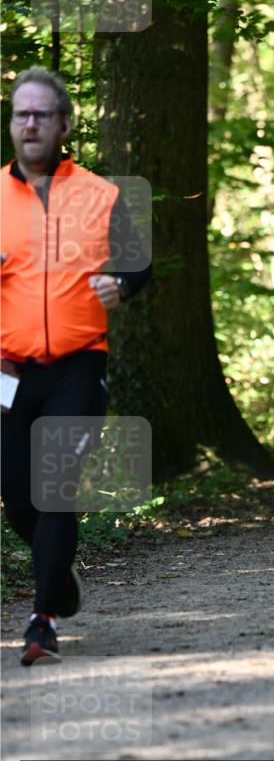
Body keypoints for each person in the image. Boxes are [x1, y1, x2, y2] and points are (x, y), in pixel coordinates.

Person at [1, 66, 151, 665]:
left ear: (64, 124)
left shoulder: (98, 194)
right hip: (10, 372)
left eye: (41, 114)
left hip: (77, 367)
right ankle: (59, 582)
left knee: (55, 489)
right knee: (18, 501)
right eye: (20, 114)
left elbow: (138, 265)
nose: (29, 123)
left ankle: (41, 622)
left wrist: (122, 285)